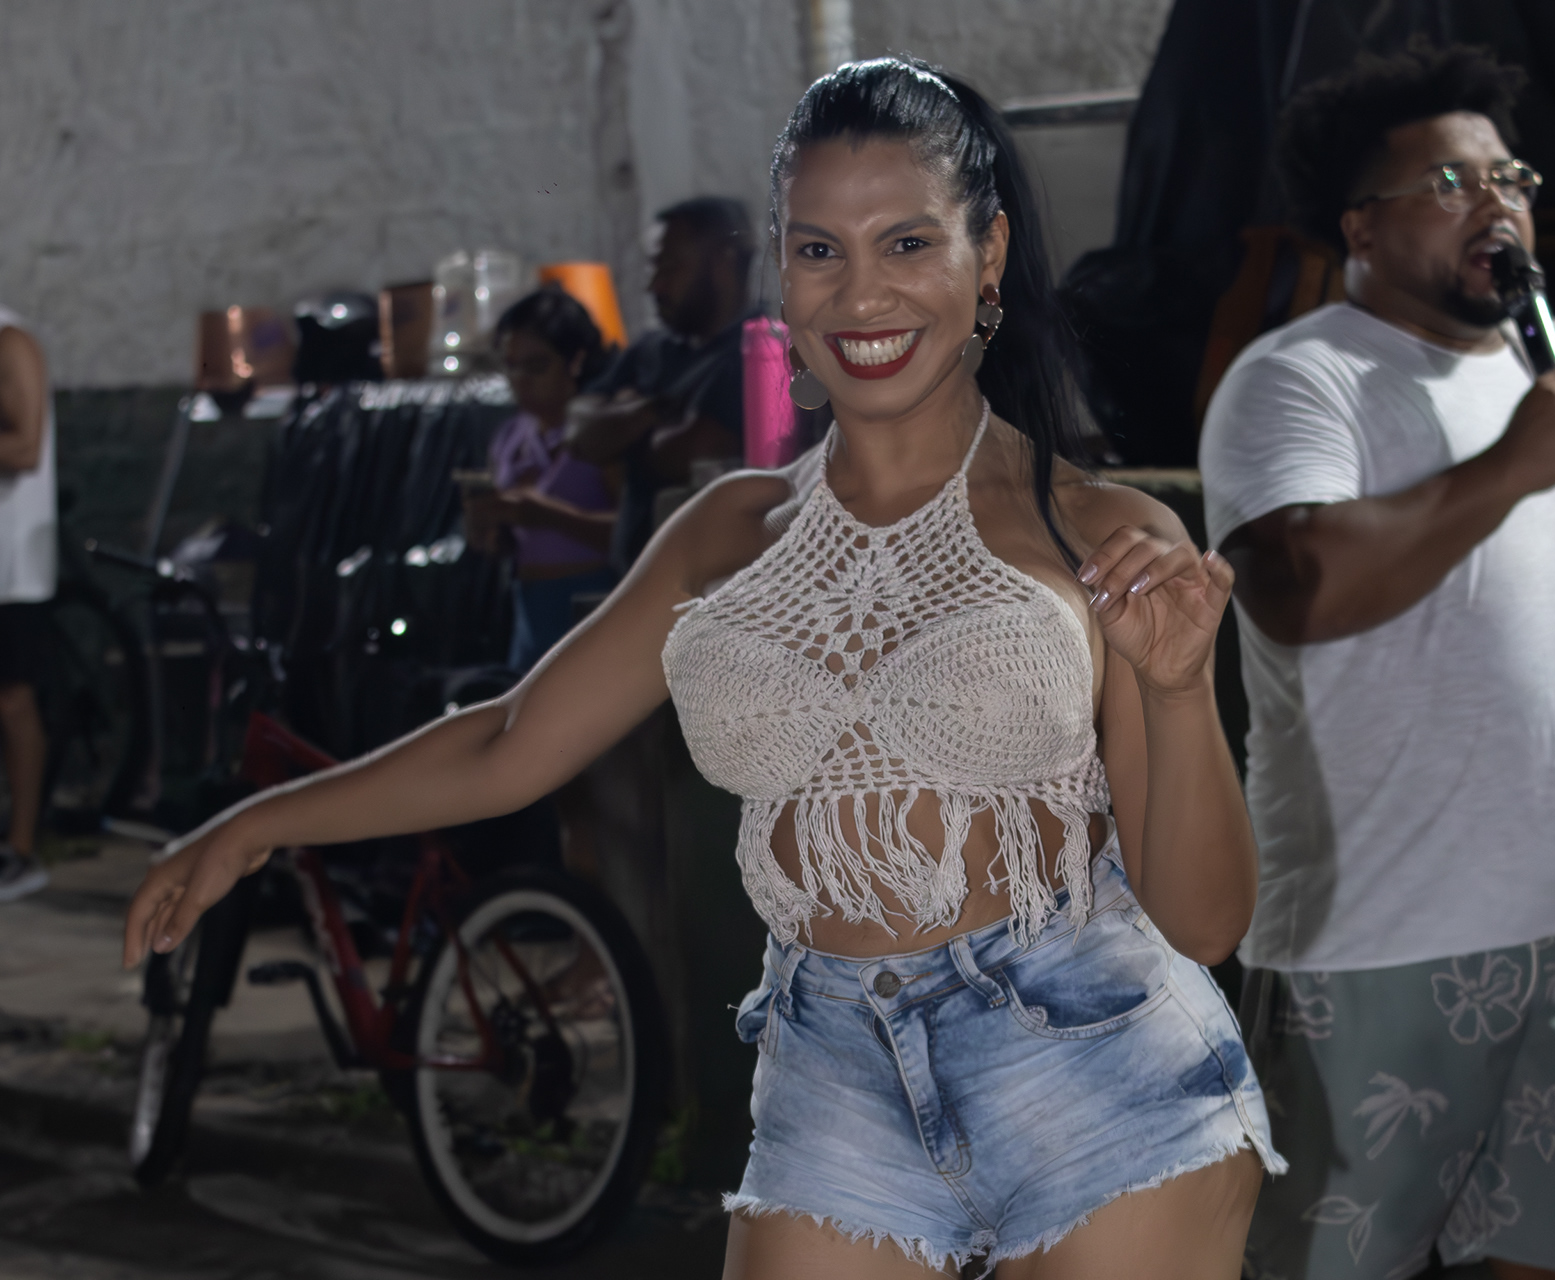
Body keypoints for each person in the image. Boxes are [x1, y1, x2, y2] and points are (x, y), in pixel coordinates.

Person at [124, 57, 1281, 1279]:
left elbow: (1205, 920)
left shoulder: (1102, 533)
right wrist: (256, 823)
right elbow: (511, 738)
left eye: (906, 243)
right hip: (833, 1065)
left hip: (1092, 1056)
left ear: (987, 255)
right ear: (782, 265)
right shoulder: (728, 531)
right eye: (820, 249)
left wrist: (1173, 691)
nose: (861, 293)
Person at [1198, 44, 1555, 1280]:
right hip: (1376, 939)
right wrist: (1508, 468)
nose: (1498, 203)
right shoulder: (1296, 379)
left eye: (1510, 178)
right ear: (1360, 226)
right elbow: (1297, 586)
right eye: (1452, 182)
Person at [567, 196, 759, 570]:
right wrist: (653, 412)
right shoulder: (650, 350)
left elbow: (691, 453)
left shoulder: (760, 350)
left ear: (723, 264)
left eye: (669, 267)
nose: (654, 285)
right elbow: (578, 434)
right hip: (635, 580)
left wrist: (620, 422)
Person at [464, 286, 621, 673]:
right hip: (530, 611)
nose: (520, 380)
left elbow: (636, 534)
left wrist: (548, 515)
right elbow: (512, 545)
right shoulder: (510, 437)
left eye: (536, 367)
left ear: (575, 361)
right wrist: (491, 530)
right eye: (511, 366)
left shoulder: (602, 432)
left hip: (594, 602)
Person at [0, 305, 54, 903]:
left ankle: (21, 850)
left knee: (13, 699)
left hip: (12, 562)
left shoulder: (9, 341)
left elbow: (24, 447)